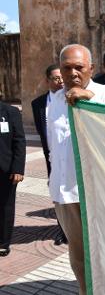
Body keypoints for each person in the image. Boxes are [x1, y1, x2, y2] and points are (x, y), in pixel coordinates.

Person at [47, 44, 105, 294]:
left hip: (97, 192)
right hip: (65, 192)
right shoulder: (54, 101)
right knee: (77, 255)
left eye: (79, 67)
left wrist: (91, 102)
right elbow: (54, 149)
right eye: (67, 68)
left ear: (91, 68)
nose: (73, 73)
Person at [31, 64, 67, 245]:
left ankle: (73, 231)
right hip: (51, 157)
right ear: (47, 81)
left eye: (62, 77)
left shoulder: (71, 98)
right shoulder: (37, 104)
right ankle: (62, 231)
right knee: (56, 194)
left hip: (69, 155)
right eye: (56, 78)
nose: (61, 81)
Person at [0, 102, 26, 257]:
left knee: (5, 206)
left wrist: (17, 168)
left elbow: (19, 140)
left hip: (5, 169)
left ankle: (3, 242)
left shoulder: (10, 112)